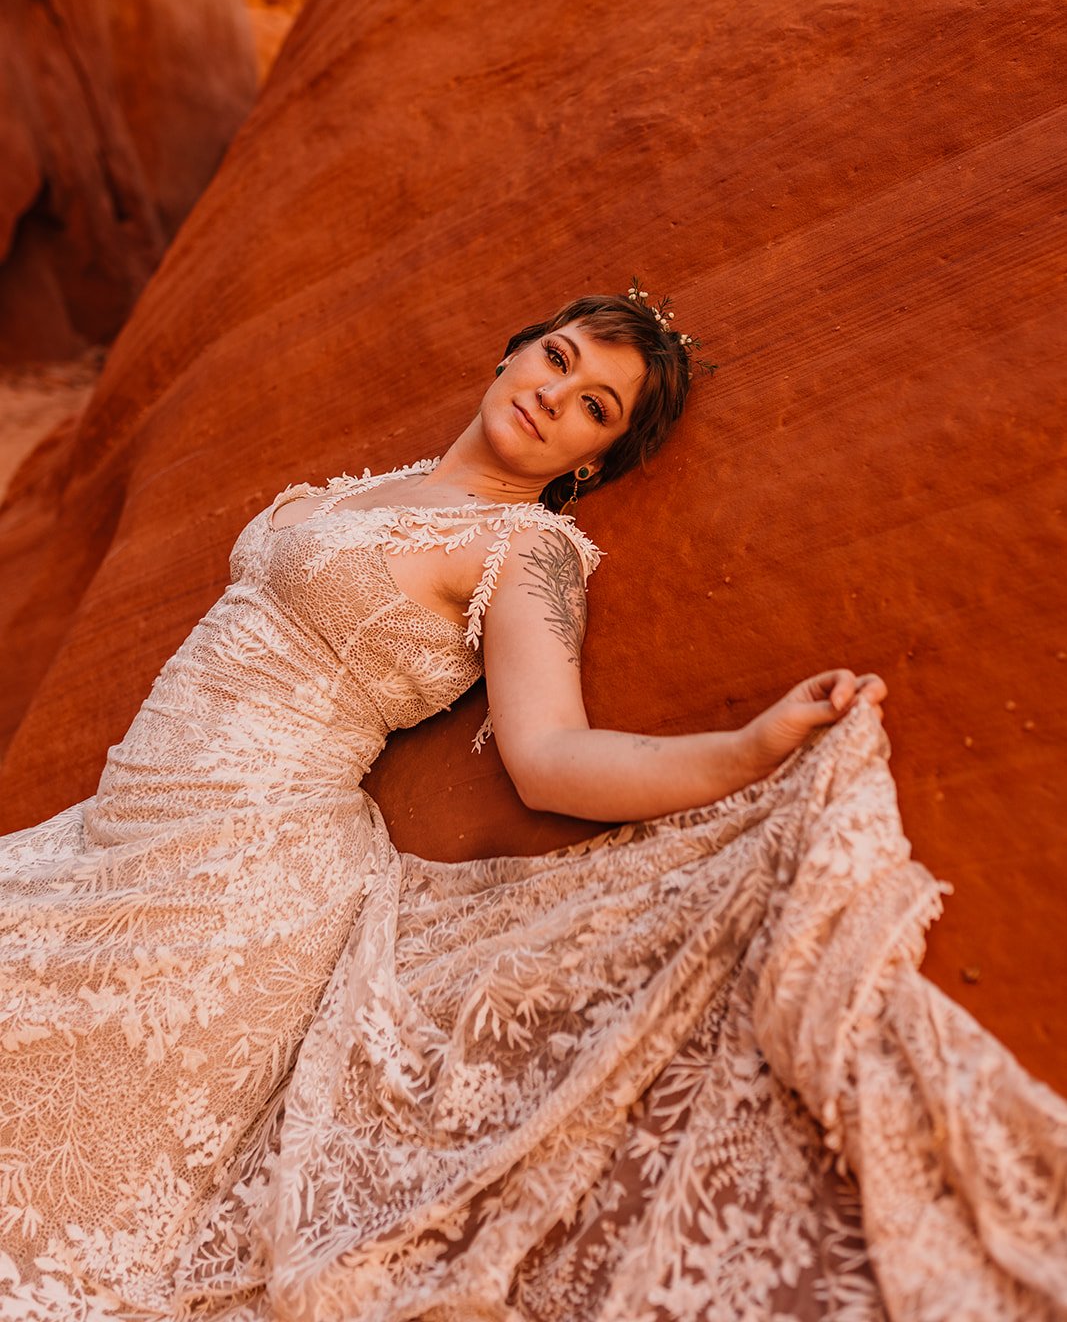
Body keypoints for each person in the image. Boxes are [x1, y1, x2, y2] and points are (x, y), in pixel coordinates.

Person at [0, 287, 1062, 1321]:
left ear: (588, 461)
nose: (559, 395)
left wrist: (747, 745)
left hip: (236, 876)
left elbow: (549, 757)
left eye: (595, 406)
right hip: (118, 831)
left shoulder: (527, 550)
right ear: (509, 357)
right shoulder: (365, 490)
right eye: (558, 359)